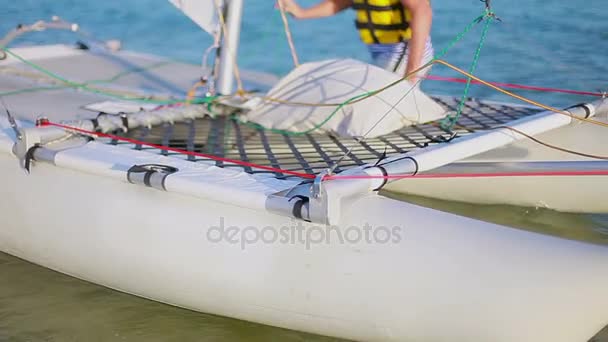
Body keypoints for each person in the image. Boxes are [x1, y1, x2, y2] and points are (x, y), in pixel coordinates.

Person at [278, 0, 434, 83]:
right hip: (383, 55)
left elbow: (422, 10)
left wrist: (412, 71)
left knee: (375, 107)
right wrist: (301, 13)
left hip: (403, 53)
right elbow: (339, 2)